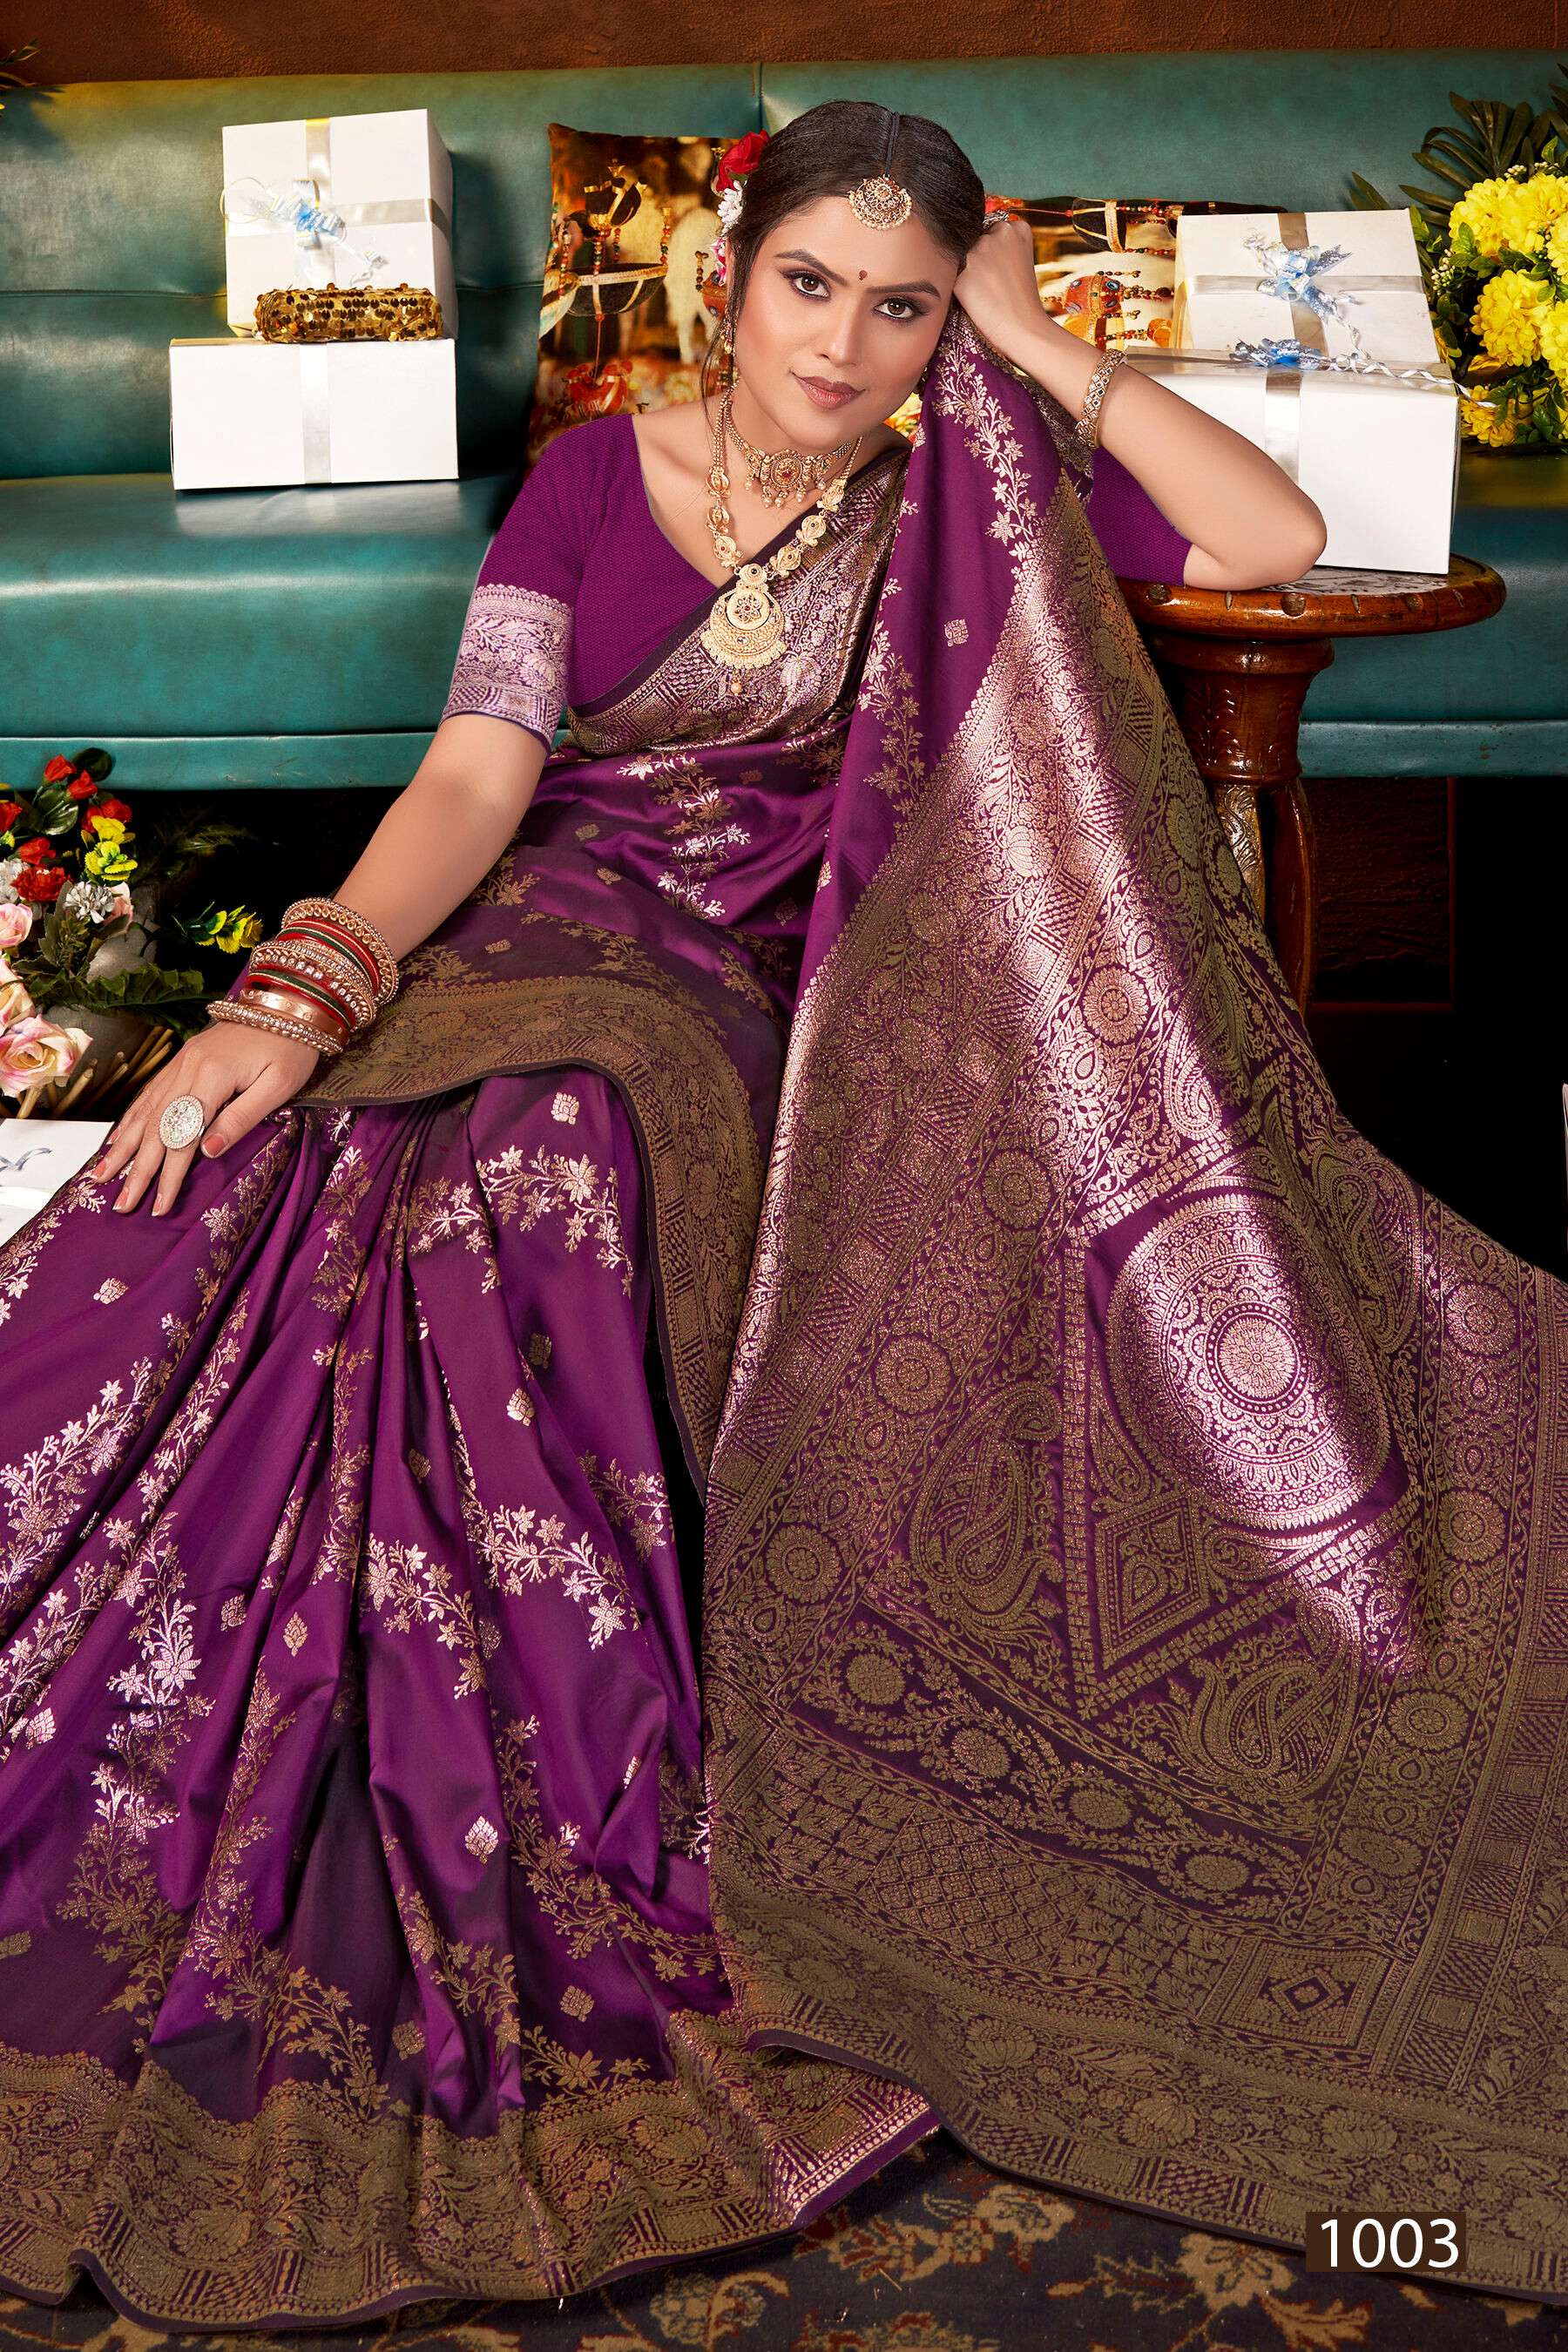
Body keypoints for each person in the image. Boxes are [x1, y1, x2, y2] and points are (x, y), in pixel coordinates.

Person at [11, 92, 1558, 2330]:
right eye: (809, 284)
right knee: (307, 1158)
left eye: (901, 306)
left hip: (783, 984)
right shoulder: (587, 479)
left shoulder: (965, 486)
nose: (841, 344)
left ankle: (512, 1752)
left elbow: (1274, 528)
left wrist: (1042, 344)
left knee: (541, 1171)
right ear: (726, 279)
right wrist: (298, 990)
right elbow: (480, 775)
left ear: (947, 323)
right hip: (549, 917)